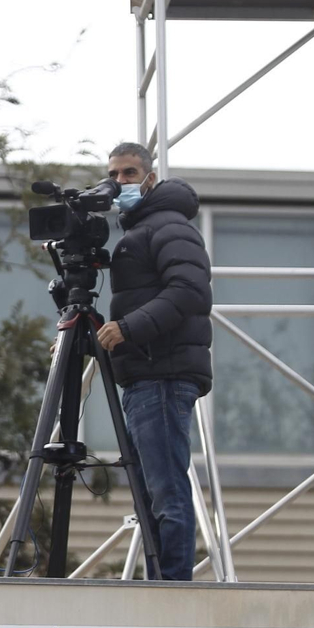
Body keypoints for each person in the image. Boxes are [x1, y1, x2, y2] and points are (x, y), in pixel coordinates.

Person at [97, 143, 213, 581]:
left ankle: (171, 590)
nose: (121, 182)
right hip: (147, 373)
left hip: (163, 374)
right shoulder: (140, 231)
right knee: (152, 494)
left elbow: (190, 291)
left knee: (166, 491)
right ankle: (161, 585)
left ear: (150, 177)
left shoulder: (167, 225)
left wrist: (128, 328)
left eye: (129, 173)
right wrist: (91, 339)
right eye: (114, 175)